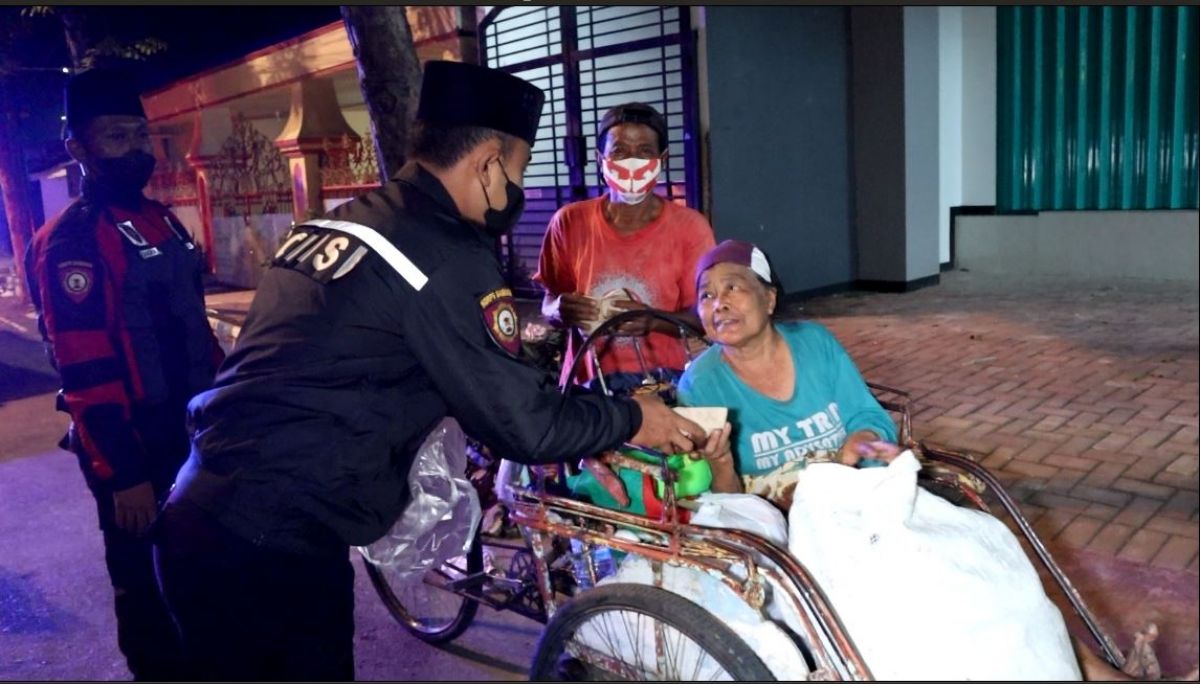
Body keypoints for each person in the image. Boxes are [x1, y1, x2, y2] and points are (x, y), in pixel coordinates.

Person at [152, 61, 705, 681]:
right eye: (517, 172)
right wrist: (632, 419)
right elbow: (524, 425)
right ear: (489, 162)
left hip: (197, 512)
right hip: (271, 549)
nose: (515, 192)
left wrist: (577, 421)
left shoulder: (342, 221)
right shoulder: (443, 252)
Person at [24, 67, 223, 681]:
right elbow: (84, 368)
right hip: (134, 447)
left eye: (141, 134)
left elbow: (198, 331)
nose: (136, 148)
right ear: (77, 147)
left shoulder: (163, 222)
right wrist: (124, 476)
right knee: (146, 590)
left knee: (204, 579)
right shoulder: (73, 242)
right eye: (116, 136)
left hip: (192, 435)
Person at [677, 239, 901, 507]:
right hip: (772, 530)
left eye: (733, 288)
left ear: (769, 299)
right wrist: (720, 462)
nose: (719, 304)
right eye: (707, 295)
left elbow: (866, 414)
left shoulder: (815, 343)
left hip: (854, 500)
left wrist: (864, 441)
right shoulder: (700, 386)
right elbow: (724, 505)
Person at [535, 102, 715, 394]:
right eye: (618, 151)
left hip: (662, 383)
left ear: (662, 159)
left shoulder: (690, 229)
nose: (632, 162)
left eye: (645, 151)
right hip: (586, 386)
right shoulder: (568, 222)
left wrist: (652, 319)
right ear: (600, 159)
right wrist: (559, 309)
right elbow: (549, 303)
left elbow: (704, 318)